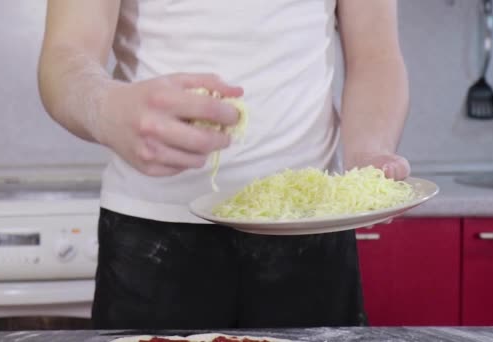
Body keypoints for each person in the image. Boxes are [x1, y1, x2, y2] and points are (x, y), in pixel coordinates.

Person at [37, 0, 410, 329]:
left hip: (309, 226)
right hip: (150, 232)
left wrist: (369, 153)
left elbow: (375, 55)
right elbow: (66, 54)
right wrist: (106, 108)